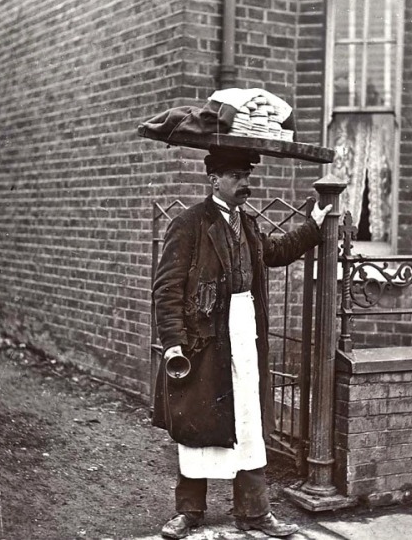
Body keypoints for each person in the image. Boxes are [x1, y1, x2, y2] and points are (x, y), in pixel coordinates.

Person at [152, 146, 331, 539]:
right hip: (203, 339)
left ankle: (254, 512)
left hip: (244, 330)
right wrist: (173, 343)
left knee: (248, 419)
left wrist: (315, 223)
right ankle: (189, 512)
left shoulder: (246, 223)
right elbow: (166, 290)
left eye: (247, 176)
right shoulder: (189, 224)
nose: (245, 184)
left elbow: (276, 251)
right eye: (237, 176)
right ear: (214, 179)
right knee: (196, 422)